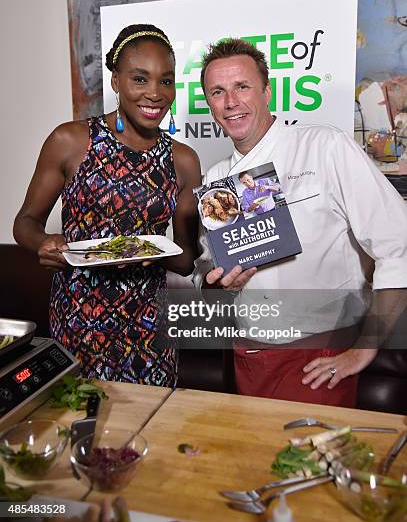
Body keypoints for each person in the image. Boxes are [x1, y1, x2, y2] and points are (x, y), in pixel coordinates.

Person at [193, 38, 407, 407]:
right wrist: (222, 286)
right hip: (250, 356)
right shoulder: (215, 182)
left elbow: (398, 246)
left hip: (320, 357)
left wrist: (365, 348)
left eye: (242, 86)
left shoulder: (325, 147)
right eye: (218, 92)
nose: (231, 102)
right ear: (210, 104)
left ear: (268, 91)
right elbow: (207, 280)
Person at [14, 24, 201, 387]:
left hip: (149, 324)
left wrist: (154, 252)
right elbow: (25, 221)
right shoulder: (70, 140)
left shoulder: (184, 161)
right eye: (140, 79)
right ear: (115, 81)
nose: (155, 94)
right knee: (81, 420)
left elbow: (184, 259)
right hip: (80, 317)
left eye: (166, 81)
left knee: (151, 428)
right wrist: (43, 242)